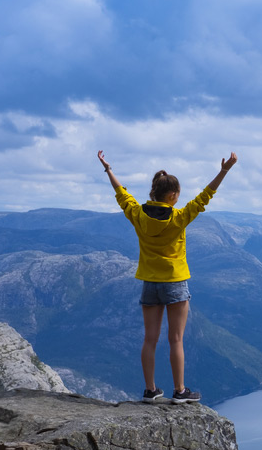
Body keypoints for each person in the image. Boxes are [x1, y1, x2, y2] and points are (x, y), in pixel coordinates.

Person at [97, 150, 238, 404]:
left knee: (149, 339)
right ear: (173, 196)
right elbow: (205, 196)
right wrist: (224, 170)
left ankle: (150, 390)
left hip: (149, 284)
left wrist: (108, 169)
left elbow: (121, 194)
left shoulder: (138, 214)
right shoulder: (179, 218)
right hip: (174, 283)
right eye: (178, 195)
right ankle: (180, 391)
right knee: (176, 339)